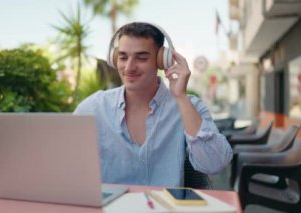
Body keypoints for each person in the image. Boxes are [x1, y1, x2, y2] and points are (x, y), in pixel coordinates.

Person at [73, 22, 232, 187]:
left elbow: (216, 164)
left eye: (141, 58)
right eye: (123, 57)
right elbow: (66, 164)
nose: (129, 67)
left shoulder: (190, 106)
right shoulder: (93, 108)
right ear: (114, 59)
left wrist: (181, 97)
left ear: (162, 60)